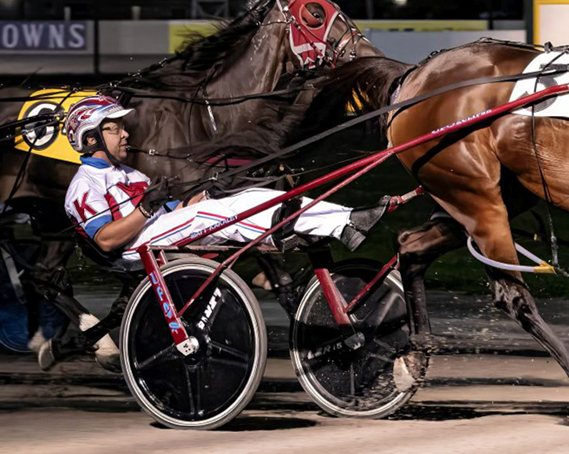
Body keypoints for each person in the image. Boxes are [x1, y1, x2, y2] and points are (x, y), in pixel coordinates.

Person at [40, 95, 384, 370]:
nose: (126, 133)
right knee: (211, 214)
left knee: (243, 197)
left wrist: (208, 191)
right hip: (134, 249)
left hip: (157, 232)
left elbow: (174, 211)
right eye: (115, 129)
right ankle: (282, 229)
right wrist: (148, 208)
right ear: (91, 138)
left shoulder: (130, 173)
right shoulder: (84, 186)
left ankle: (345, 221)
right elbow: (106, 240)